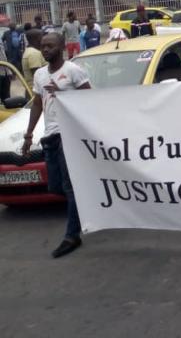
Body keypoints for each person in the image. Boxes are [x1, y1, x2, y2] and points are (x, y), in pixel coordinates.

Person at [22, 32, 91, 258]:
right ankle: (85, 201)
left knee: (69, 187)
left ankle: (72, 235)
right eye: (43, 46)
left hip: (68, 133)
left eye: (50, 46)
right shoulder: (41, 74)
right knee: (55, 186)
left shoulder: (73, 71)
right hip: (50, 134)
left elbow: (91, 100)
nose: (45, 50)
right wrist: (29, 134)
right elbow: (37, 104)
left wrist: (63, 95)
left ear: (61, 47)